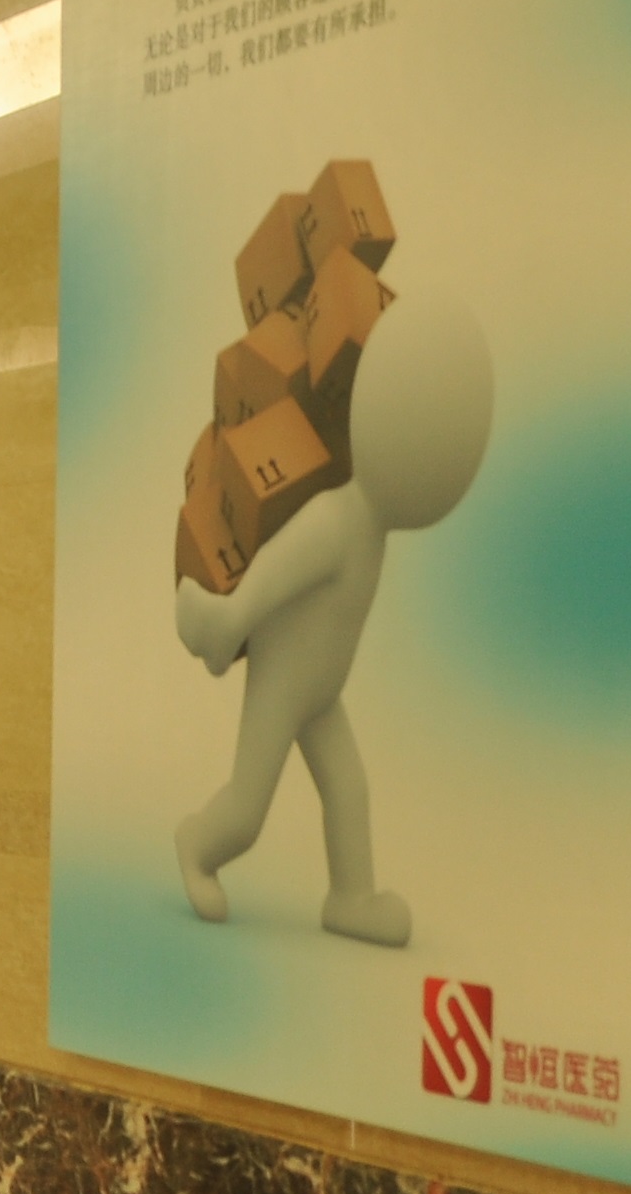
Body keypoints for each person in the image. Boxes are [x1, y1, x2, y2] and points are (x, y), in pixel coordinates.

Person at [171, 288, 493, 940]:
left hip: (321, 692)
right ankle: (197, 845)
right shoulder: (337, 521)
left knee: (349, 789)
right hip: (284, 684)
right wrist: (232, 619)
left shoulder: (370, 532)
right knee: (248, 808)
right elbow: (276, 572)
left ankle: (351, 898)